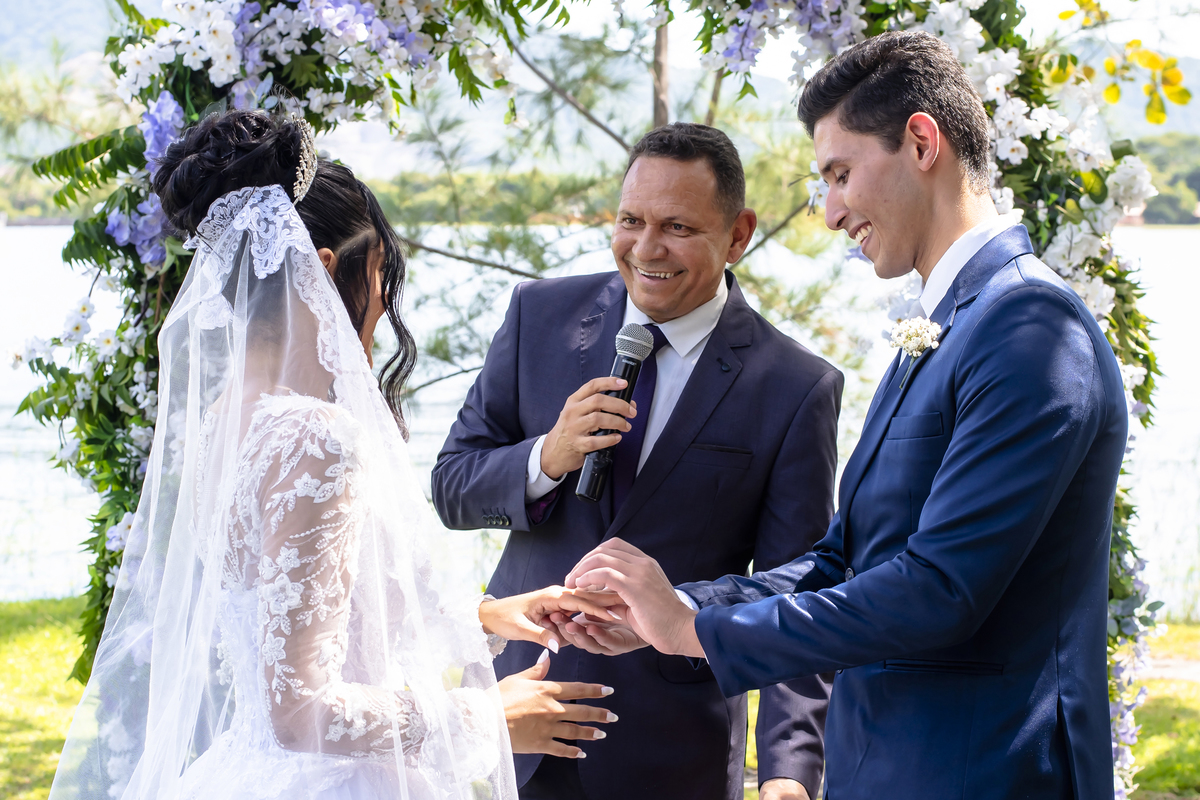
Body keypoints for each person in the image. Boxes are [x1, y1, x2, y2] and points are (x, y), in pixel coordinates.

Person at [565, 30, 1128, 800]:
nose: (829, 212)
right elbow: (843, 562)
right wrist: (676, 605)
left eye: (840, 173)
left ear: (921, 141)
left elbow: (940, 590)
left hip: (986, 774)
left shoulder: (1031, 328)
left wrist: (698, 631)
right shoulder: (941, 327)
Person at [48, 110, 617, 800]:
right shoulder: (315, 438)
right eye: (379, 275)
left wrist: (483, 615)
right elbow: (299, 711)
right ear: (323, 269)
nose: (382, 302)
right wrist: (482, 717)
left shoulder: (227, 424)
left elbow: (307, 613)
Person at [432, 123, 843, 800]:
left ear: (738, 234)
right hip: (516, 720)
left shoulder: (796, 388)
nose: (645, 249)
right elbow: (451, 488)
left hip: (671, 749)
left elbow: (794, 589)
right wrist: (547, 457)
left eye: (677, 227)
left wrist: (788, 776)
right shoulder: (539, 315)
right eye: (630, 220)